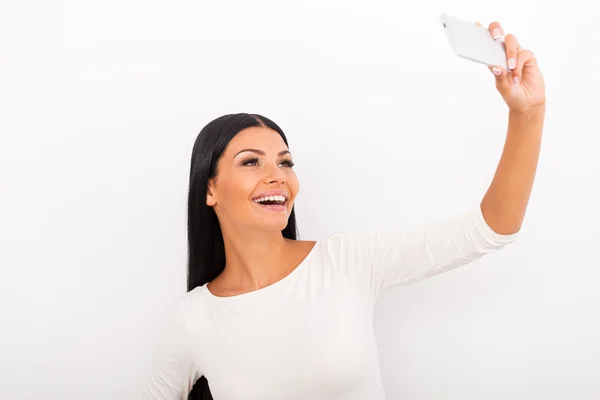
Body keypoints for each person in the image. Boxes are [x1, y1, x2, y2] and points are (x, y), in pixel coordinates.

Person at [142, 20, 545, 400]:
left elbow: (491, 228)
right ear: (209, 188)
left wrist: (527, 113)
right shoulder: (193, 319)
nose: (277, 175)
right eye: (252, 161)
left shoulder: (346, 262)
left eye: (285, 162)